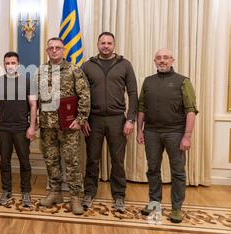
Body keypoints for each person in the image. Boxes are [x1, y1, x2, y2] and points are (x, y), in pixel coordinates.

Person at [136, 48, 198, 223]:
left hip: (175, 133)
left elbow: (191, 110)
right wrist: (140, 130)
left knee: (178, 172)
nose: (162, 61)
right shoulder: (147, 82)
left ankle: (176, 208)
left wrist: (187, 135)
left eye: (166, 58)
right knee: (153, 170)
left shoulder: (183, 81)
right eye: (159, 58)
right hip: (151, 133)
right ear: (154, 61)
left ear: (172, 60)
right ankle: (154, 202)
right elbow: (141, 107)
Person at [80, 32, 138, 213]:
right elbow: (80, 94)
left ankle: (119, 195)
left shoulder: (125, 65)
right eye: (102, 43)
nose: (106, 46)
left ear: (114, 44)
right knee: (92, 159)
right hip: (93, 120)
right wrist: (83, 118)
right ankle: (89, 193)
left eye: (109, 43)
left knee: (118, 160)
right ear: (97, 44)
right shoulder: (87, 66)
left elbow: (133, 94)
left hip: (117, 120)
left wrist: (130, 119)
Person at [35, 37, 90, 215]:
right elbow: (34, 98)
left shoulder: (74, 70)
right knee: (51, 161)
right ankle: (55, 192)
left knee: (72, 162)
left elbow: (84, 96)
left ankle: (75, 197)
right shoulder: (40, 71)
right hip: (47, 125)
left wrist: (81, 119)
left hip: (69, 126)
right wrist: (34, 119)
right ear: (47, 51)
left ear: (64, 51)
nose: (54, 50)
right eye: (51, 48)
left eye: (58, 48)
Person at [0, 51, 37, 207]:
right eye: (7, 63)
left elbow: (33, 105)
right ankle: (6, 190)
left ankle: (25, 191)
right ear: (4, 64)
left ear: (18, 64)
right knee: (4, 162)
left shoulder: (27, 82)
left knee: (24, 161)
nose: (10, 66)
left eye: (13, 63)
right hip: (3, 129)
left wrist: (32, 127)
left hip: (22, 129)